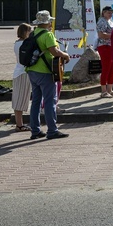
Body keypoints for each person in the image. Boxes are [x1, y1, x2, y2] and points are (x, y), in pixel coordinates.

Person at [25, 11, 70, 140]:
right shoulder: (47, 34)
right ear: (47, 22)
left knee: (36, 102)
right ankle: (52, 130)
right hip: (45, 71)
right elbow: (54, 51)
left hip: (32, 70)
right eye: (50, 21)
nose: (51, 22)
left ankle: (35, 130)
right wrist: (65, 55)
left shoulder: (33, 33)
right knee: (50, 101)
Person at [12, 23, 32, 132]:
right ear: (25, 32)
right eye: (29, 31)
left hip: (17, 72)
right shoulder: (24, 44)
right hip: (23, 73)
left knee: (18, 98)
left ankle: (19, 123)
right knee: (20, 99)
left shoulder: (17, 43)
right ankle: (19, 125)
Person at [96, 6, 113, 98]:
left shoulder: (110, 21)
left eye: (111, 13)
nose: (110, 14)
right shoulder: (101, 21)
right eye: (109, 12)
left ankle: (110, 89)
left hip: (111, 46)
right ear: (103, 12)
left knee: (112, 68)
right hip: (104, 46)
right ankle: (103, 91)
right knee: (106, 67)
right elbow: (101, 35)